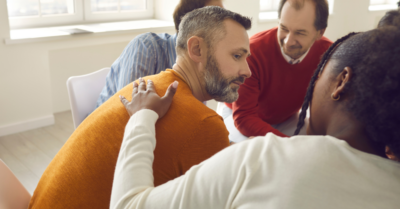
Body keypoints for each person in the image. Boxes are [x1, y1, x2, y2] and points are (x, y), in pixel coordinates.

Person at [111, 26, 400, 209]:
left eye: (320, 71)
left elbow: (128, 205)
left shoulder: (265, 160)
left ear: (341, 82)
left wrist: (143, 116)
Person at [29, 7, 251, 209]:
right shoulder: (205, 125)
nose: (247, 71)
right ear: (197, 49)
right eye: (237, 56)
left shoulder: (145, 87)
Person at [224, 0, 332, 142]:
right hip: (238, 116)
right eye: (284, 28)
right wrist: (287, 144)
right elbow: (244, 117)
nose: (288, 41)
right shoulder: (253, 52)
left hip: (287, 116)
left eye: (300, 33)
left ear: (320, 32)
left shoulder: (329, 54)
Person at [96, 0, 224, 107]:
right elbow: (128, 112)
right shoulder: (146, 47)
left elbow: (193, 118)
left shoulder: (201, 62)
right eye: (217, 19)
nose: (224, 26)